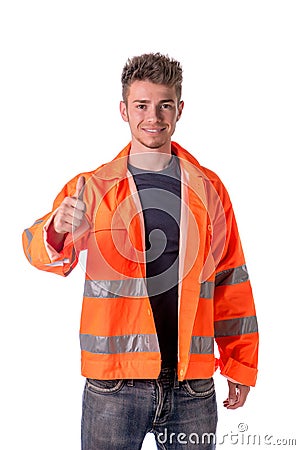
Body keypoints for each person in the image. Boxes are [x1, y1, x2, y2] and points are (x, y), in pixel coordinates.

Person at [22, 53, 259, 450]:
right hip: (114, 385)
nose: (154, 116)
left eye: (165, 104)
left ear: (180, 109)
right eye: (142, 105)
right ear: (123, 110)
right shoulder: (92, 187)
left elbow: (230, 278)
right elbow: (35, 248)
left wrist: (240, 363)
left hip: (193, 385)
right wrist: (58, 228)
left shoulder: (209, 188)